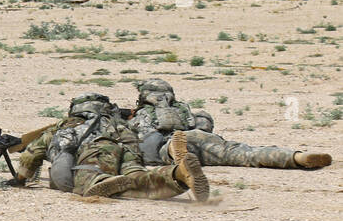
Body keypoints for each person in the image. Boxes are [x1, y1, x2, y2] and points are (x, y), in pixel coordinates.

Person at [8, 93, 211, 201]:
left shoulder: (68, 125)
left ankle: (103, 181)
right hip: (127, 151)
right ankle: (177, 173)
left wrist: (19, 179)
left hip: (94, 153)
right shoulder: (117, 123)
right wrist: (133, 161)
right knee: (137, 179)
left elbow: (32, 154)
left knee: (91, 181)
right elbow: (133, 139)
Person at [132, 79, 331, 169]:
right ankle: (296, 157)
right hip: (201, 138)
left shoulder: (142, 114)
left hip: (172, 145)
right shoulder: (184, 110)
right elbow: (205, 122)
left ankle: (176, 152)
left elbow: (140, 140)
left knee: (164, 150)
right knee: (246, 153)